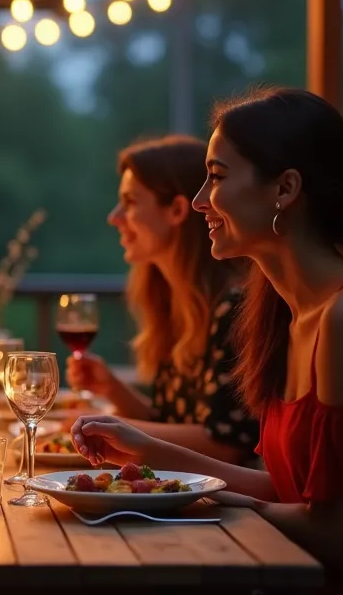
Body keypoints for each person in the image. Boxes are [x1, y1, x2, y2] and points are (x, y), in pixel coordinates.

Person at [70, 88, 343, 593]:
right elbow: (288, 490)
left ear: (285, 188)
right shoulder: (287, 313)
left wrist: (208, 497)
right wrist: (146, 452)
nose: (199, 200)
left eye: (217, 176)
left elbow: (334, 538)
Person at [66, 136, 257, 465]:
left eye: (130, 202)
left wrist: (110, 426)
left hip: (225, 496)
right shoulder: (176, 305)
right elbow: (171, 424)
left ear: (177, 210)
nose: (114, 217)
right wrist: (113, 390)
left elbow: (225, 444)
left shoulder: (234, 307)